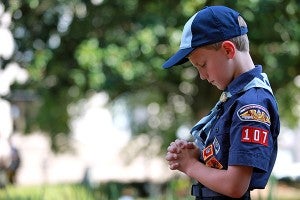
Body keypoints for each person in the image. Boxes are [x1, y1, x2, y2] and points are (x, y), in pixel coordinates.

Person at [163, 5, 280, 200]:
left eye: (202, 64)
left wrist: (191, 166)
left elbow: (235, 185)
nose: (202, 75)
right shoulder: (234, 98)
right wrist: (198, 155)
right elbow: (226, 158)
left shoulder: (251, 105)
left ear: (227, 49)